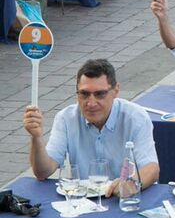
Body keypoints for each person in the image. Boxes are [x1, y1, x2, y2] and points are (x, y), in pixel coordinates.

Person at [23, 59, 160, 196]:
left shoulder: (135, 117)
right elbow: (43, 172)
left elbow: (151, 168)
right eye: (84, 94)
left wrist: (130, 184)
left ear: (116, 91)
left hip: (123, 199)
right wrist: (36, 137)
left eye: (100, 94)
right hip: (84, 201)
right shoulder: (65, 118)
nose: (91, 103)